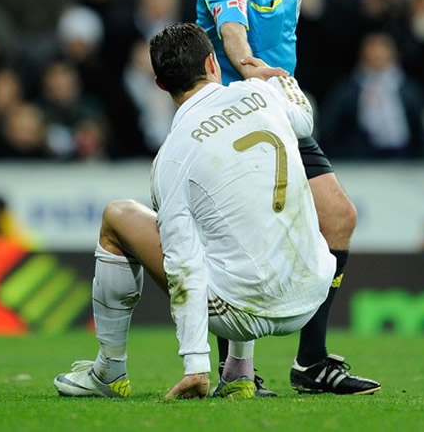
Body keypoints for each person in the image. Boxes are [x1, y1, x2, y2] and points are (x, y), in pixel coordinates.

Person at [54, 22, 338, 400]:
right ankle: (239, 372)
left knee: (117, 215)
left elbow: (182, 261)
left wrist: (196, 365)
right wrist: (279, 78)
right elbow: (304, 118)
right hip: (311, 291)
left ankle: (109, 371)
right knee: (233, 220)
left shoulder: (172, 156)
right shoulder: (260, 95)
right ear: (212, 63)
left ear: (160, 84)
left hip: (242, 313)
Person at [195, 0, 380, 394]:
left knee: (338, 217)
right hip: (231, 115)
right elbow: (233, 33)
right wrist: (251, 66)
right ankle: (235, 373)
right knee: (246, 241)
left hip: (281, 109)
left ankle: (311, 362)